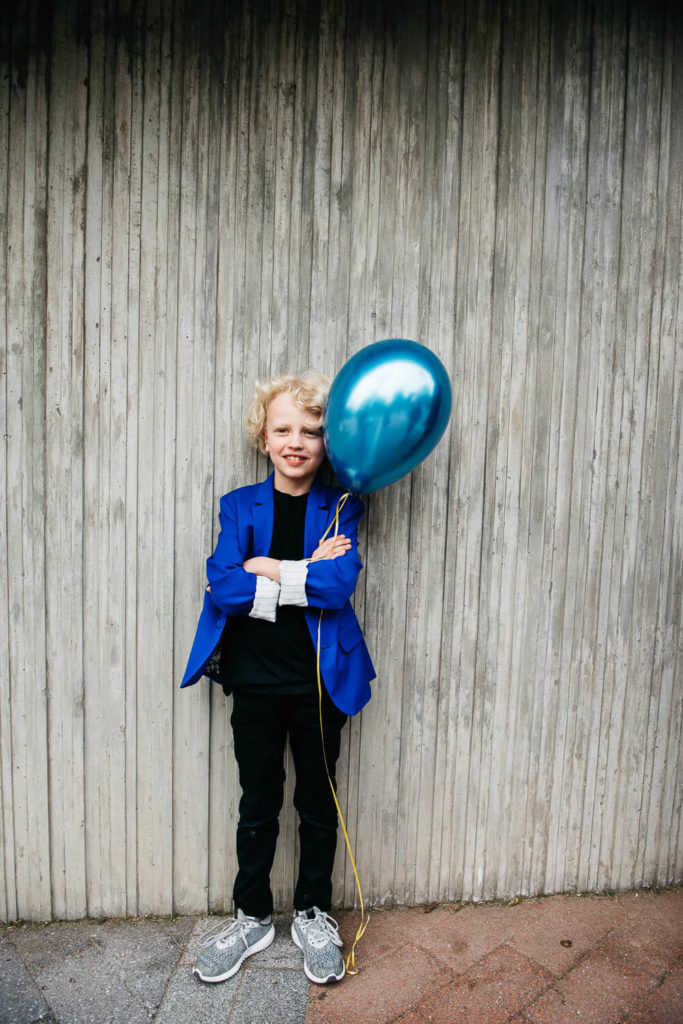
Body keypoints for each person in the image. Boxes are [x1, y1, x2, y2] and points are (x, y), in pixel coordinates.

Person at [180, 371, 375, 985]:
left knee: (317, 802)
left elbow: (337, 587)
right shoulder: (239, 505)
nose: (296, 442)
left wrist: (264, 568)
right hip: (256, 680)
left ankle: (313, 912)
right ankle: (253, 916)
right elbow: (224, 586)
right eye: (283, 429)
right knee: (258, 802)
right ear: (263, 438)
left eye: (310, 432)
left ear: (326, 443)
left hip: (318, 683)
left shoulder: (342, 504)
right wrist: (300, 571)